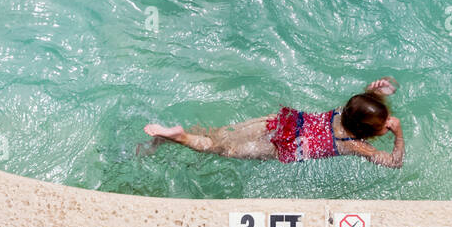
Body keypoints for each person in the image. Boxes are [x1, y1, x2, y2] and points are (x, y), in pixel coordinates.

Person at [144, 78, 404, 168]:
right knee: (219, 148)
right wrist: (398, 134)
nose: (388, 125)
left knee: (222, 135)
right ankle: (179, 137)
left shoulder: (343, 111)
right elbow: (394, 163)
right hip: (281, 147)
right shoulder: (355, 145)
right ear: (365, 133)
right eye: (383, 125)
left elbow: (362, 106)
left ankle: (172, 135)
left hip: (281, 123)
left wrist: (376, 92)